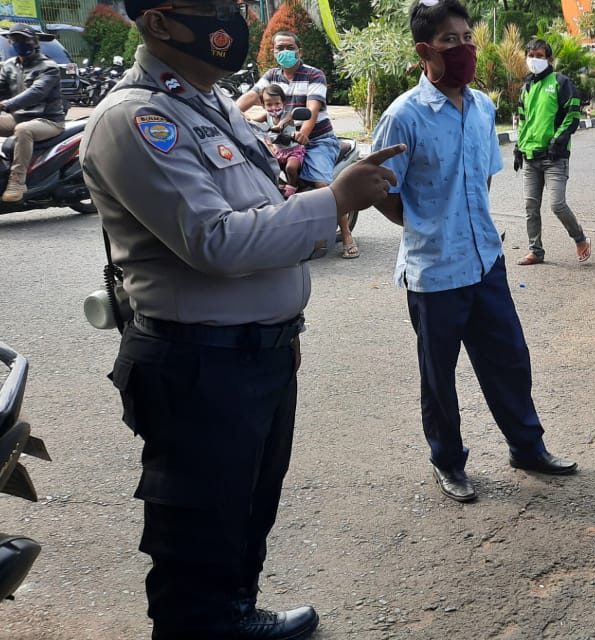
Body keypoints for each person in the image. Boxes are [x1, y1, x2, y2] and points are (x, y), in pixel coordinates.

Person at [83, 0, 402, 637]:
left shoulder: (214, 102)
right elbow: (216, 242)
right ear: (157, 21)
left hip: (256, 353)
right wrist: (334, 201)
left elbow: (263, 207)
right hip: (199, 361)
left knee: (247, 508)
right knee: (198, 527)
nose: (229, 16)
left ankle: (234, 615)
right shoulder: (136, 119)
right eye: (208, 7)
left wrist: (280, 327)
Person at [372, 0, 578, 504]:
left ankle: (526, 447)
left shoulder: (483, 107)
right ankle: (448, 462)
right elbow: (379, 188)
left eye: (467, 37)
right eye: (450, 40)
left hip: (485, 260)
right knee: (439, 378)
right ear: (425, 50)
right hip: (434, 270)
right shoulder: (405, 115)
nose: (464, 47)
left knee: (509, 360)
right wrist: (422, 224)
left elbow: (481, 178)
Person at [237, 31, 356, 258]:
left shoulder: (314, 75)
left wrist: (303, 133)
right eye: (279, 48)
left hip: (317, 140)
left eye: (288, 47)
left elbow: (311, 109)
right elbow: (250, 98)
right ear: (273, 52)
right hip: (280, 142)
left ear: (299, 51)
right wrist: (228, 115)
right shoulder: (271, 76)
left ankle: (347, 236)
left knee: (322, 185)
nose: (284, 52)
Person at [514, 37, 591, 265]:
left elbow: (572, 114)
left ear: (549, 59)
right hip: (530, 156)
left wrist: (558, 141)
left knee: (557, 204)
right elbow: (523, 120)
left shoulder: (561, 82)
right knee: (531, 206)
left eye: (540, 56)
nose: (535, 60)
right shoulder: (526, 87)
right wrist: (519, 147)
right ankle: (535, 251)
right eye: (531, 56)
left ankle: (579, 238)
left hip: (554, 157)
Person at [0, 24, 65, 202]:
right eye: (15, 41)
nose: (19, 44)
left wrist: (7, 104)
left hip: (48, 121)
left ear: (35, 42)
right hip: (17, 117)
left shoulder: (49, 67)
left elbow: (36, 93)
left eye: (24, 40)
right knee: (20, 125)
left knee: (23, 130)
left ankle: (17, 182)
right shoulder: (9, 66)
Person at [252, 84, 304, 192]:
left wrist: (279, 125)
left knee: (291, 168)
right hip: (278, 151)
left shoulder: (287, 114)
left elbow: (286, 119)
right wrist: (241, 117)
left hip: (293, 150)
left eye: (277, 103)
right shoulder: (266, 116)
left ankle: (293, 186)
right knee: (267, 165)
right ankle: (279, 183)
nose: (274, 108)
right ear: (263, 105)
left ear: (283, 103)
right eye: (269, 104)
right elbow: (252, 121)